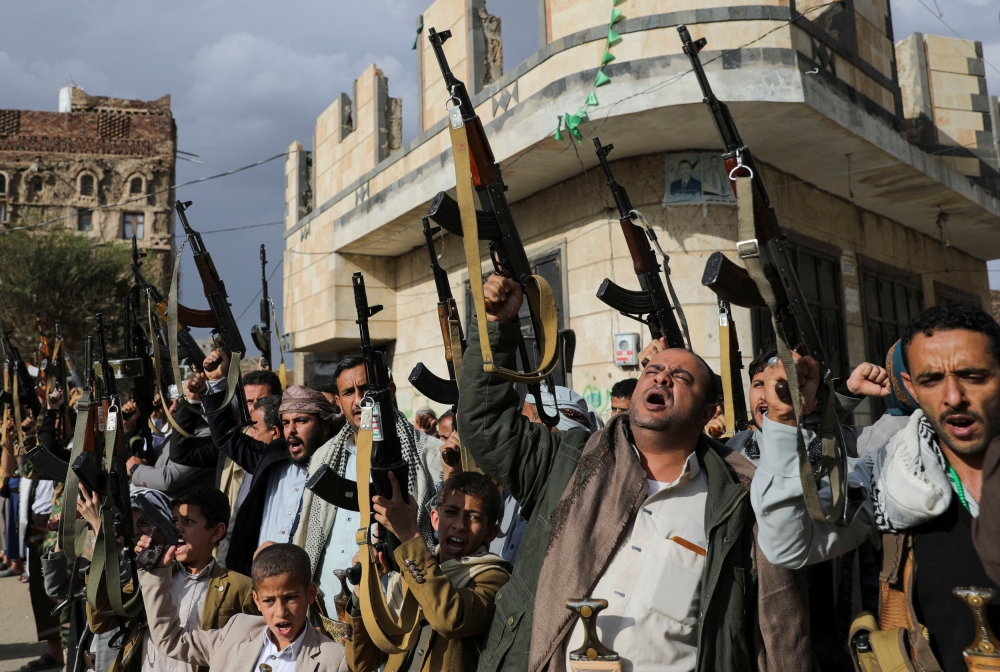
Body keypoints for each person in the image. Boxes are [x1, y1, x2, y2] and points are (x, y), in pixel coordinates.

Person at [460, 274, 809, 672]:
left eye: (681, 378)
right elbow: (485, 425)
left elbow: (781, 632)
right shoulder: (569, 463)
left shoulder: (740, 504)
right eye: (654, 370)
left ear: (709, 413)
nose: (661, 377)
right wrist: (496, 328)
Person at [751, 304, 1000, 671]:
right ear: (911, 387)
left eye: (972, 376)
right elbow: (788, 546)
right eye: (931, 379)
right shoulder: (893, 476)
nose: (953, 396)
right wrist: (786, 420)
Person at [305, 354, 439, 620]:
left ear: (389, 391)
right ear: (338, 401)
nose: (360, 401)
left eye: (366, 389)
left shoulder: (430, 455)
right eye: (348, 392)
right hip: (327, 617)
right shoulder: (324, 457)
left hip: (397, 614)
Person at [345, 471, 511, 672]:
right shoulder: (409, 570)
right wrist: (362, 590)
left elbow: (448, 618)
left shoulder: (494, 578)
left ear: (490, 533)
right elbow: (361, 663)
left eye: (473, 517)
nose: (459, 525)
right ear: (435, 519)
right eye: (451, 512)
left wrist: (408, 535)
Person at [199, 349, 340, 576]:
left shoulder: (340, 470)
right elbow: (225, 435)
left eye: (301, 421)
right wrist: (217, 381)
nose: (291, 430)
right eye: (286, 422)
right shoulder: (271, 458)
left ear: (324, 427)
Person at [133, 542, 349, 672]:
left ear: (310, 594)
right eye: (269, 601)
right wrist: (157, 573)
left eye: (291, 598)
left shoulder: (333, 659)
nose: (280, 612)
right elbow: (170, 640)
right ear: (256, 600)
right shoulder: (238, 630)